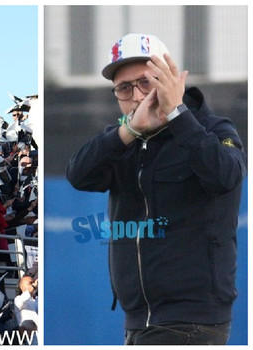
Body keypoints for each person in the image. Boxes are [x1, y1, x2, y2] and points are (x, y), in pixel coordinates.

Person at [66, 33, 245, 345]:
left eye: (146, 82)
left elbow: (226, 177)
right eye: (124, 88)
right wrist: (130, 130)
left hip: (191, 321)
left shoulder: (215, 130)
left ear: (170, 79)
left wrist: (177, 113)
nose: (137, 96)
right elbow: (79, 175)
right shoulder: (123, 137)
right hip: (137, 320)